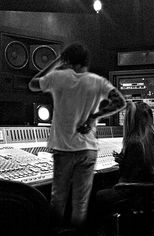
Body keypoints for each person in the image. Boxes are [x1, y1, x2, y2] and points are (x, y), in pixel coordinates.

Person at [28, 41, 126, 234]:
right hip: (88, 150)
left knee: (58, 199)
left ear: (68, 61)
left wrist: (56, 61)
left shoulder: (58, 77)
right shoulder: (97, 81)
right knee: (81, 201)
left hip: (64, 149)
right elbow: (120, 101)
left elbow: (32, 84)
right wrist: (93, 117)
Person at [93, 101, 154, 235]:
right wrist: (124, 159)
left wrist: (122, 162)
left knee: (97, 194)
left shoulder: (135, 142)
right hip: (151, 189)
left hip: (136, 191)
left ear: (131, 120)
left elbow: (129, 175)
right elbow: (142, 166)